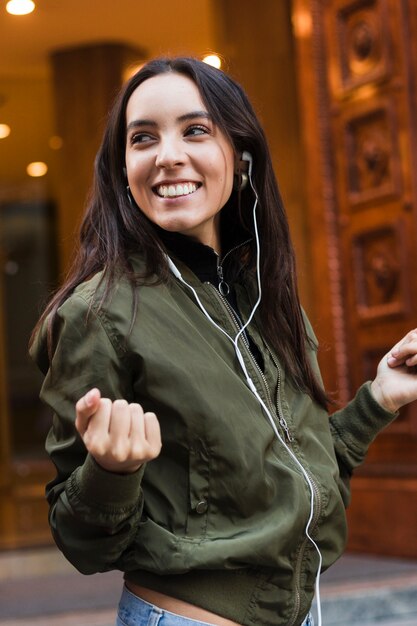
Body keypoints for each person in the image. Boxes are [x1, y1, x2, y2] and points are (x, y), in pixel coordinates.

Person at [30, 57, 417, 626]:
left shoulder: (260, 293)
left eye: (195, 130)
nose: (167, 155)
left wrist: (379, 399)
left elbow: (293, 469)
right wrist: (109, 473)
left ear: (241, 157)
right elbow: (81, 541)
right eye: (142, 138)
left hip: (304, 611)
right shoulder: (98, 315)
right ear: (122, 169)